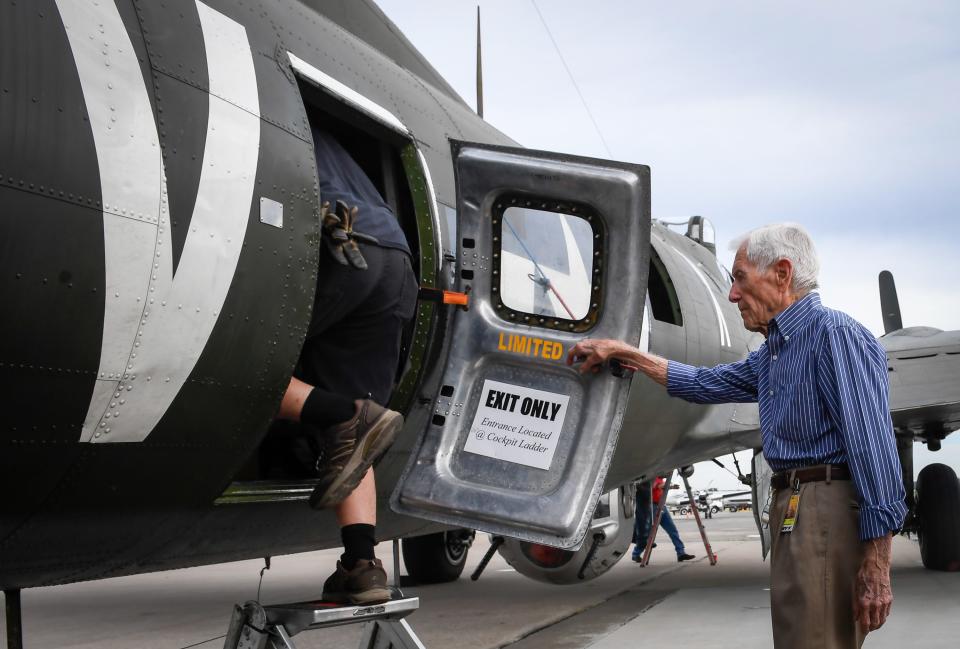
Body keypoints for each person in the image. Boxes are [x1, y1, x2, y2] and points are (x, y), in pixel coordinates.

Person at [568, 223, 906, 648]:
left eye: (740, 278)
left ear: (782, 273)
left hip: (826, 509)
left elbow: (873, 449)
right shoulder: (774, 353)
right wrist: (626, 353)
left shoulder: (834, 336)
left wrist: (877, 562)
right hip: (794, 507)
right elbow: (703, 383)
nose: (732, 295)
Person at [274, 122, 418, 605]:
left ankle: (339, 414)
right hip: (392, 254)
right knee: (360, 432)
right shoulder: (328, 138)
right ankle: (362, 564)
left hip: (330, 236)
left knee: (208, 369)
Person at [633, 476, 695, 563]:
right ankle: (636, 553)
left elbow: (661, 487)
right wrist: (670, 486)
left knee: (672, 530)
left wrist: (669, 487)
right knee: (649, 533)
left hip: (662, 506)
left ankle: (681, 553)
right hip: (653, 507)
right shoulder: (653, 477)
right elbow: (656, 486)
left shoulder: (661, 480)